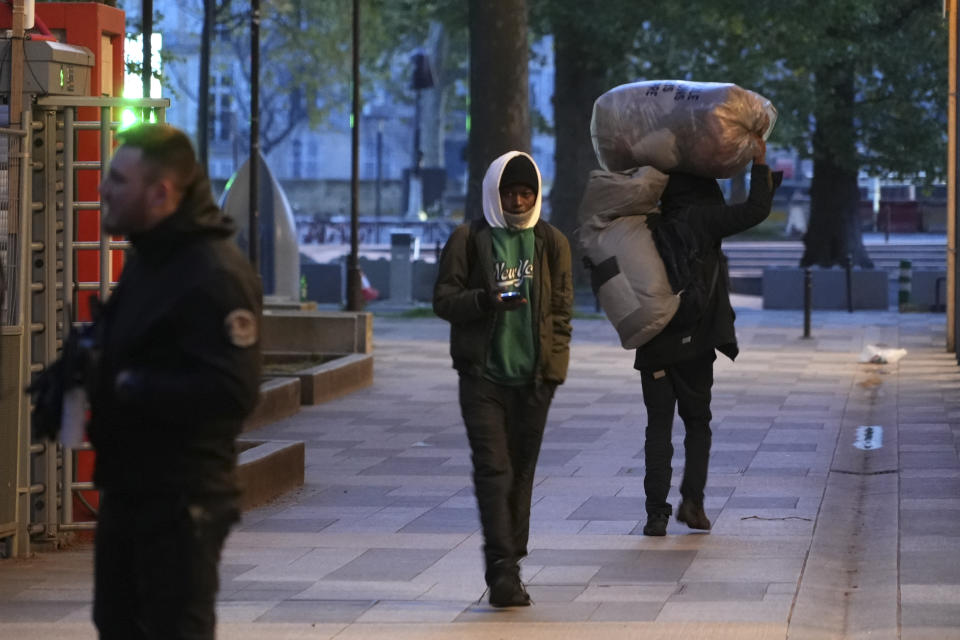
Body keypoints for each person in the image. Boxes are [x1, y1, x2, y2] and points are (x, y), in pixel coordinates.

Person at [31, 123, 262, 639]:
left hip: (182, 502)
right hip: (131, 488)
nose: (102, 189)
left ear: (160, 194)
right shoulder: (150, 260)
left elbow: (232, 390)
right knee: (117, 624)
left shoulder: (212, 273)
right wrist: (82, 363)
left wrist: (128, 384)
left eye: (117, 179)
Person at [433, 151, 573, 607]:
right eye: (509, 193)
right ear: (494, 192)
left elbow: (561, 312)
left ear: (536, 195)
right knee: (494, 471)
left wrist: (553, 371)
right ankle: (502, 572)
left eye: (525, 193)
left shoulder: (552, 242)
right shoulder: (468, 238)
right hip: (483, 377)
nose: (516, 201)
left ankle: (512, 559)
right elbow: (443, 299)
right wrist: (485, 300)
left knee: (521, 473)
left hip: (534, 381)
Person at [637, 137, 781, 537]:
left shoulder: (646, 222)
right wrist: (759, 162)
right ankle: (693, 503)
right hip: (696, 339)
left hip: (653, 341)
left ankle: (655, 514)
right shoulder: (705, 218)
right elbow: (757, 209)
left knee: (658, 427)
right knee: (697, 423)